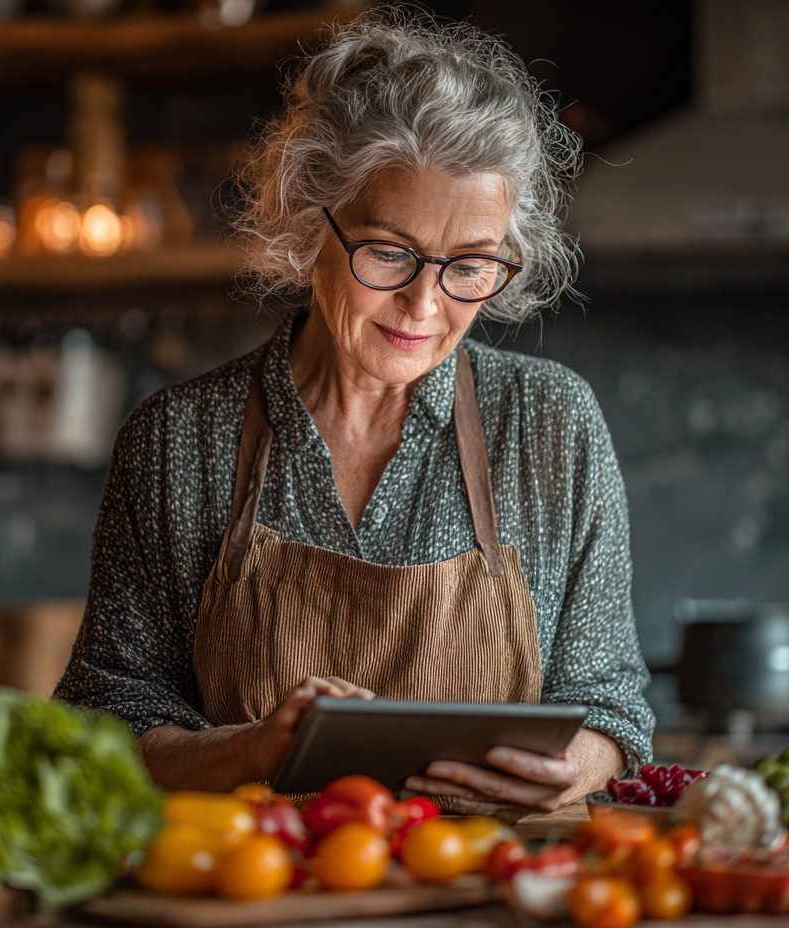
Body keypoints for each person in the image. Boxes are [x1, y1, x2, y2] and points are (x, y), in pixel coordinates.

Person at [55, 15, 654, 813]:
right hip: (261, 873)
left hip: (494, 874)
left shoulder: (551, 425)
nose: (424, 304)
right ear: (311, 221)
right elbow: (101, 731)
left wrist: (575, 766)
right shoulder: (178, 441)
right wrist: (253, 748)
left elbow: (613, 708)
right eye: (389, 252)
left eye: (470, 265)